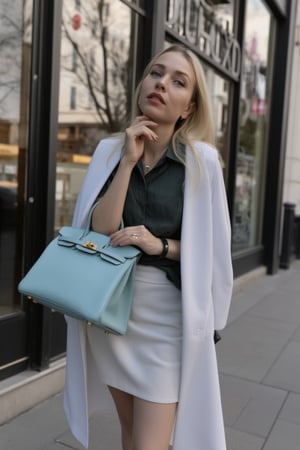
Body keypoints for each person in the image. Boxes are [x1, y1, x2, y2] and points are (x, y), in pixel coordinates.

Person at [64, 44, 233, 450]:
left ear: (188, 108)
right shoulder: (109, 151)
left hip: (165, 322)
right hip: (112, 315)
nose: (162, 84)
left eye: (178, 81)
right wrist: (127, 161)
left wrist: (157, 245)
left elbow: (211, 253)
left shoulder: (201, 161)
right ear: (143, 84)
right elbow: (100, 231)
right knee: (130, 434)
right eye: (157, 73)